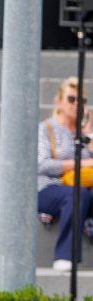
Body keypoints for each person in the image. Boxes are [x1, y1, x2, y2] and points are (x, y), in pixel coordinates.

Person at [38, 77, 93, 272]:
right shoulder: (46, 129)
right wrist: (79, 164)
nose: (76, 104)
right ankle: (64, 255)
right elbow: (43, 166)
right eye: (71, 99)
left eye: (82, 101)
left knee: (83, 193)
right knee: (78, 194)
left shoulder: (84, 133)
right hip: (49, 188)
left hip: (83, 189)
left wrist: (87, 133)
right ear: (59, 101)